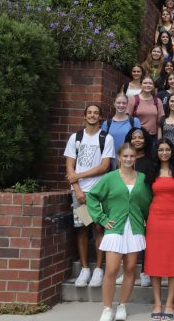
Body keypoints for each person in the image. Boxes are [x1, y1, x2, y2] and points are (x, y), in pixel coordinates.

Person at [87, 144, 152, 321]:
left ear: (135, 158)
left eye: (132, 156)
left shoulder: (143, 179)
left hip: (136, 228)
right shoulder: (110, 178)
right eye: (125, 156)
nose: (129, 159)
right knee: (112, 269)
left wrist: (146, 219)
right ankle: (107, 308)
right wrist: (101, 218)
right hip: (115, 227)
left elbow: (147, 202)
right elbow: (91, 196)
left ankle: (122, 305)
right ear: (119, 157)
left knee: (131, 268)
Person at [64, 105, 115, 289]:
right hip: (80, 192)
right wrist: (77, 188)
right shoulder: (75, 138)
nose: (92, 115)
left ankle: (99, 269)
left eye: (96, 113)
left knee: (99, 228)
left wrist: (79, 176)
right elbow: (70, 167)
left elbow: (104, 167)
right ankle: (85, 268)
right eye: (89, 113)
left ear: (100, 117)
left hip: (99, 192)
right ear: (84, 116)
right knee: (82, 229)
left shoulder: (105, 138)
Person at [144, 139, 174, 321]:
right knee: (154, 261)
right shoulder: (151, 171)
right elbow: (146, 197)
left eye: (167, 149)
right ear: (156, 152)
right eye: (160, 149)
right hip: (155, 220)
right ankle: (157, 303)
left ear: (172, 151)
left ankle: (170, 303)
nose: (164, 152)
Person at [101, 94, 141, 169]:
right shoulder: (106, 124)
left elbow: (138, 143)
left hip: (129, 160)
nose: (121, 105)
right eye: (118, 103)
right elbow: (103, 145)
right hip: (112, 162)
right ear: (114, 103)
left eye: (124, 103)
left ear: (127, 104)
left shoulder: (134, 121)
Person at [127, 76, 165, 144]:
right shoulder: (134, 99)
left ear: (153, 86)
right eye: (145, 83)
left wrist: (159, 140)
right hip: (137, 137)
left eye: (150, 83)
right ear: (141, 85)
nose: (148, 85)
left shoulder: (157, 101)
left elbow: (160, 122)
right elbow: (127, 118)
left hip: (152, 137)